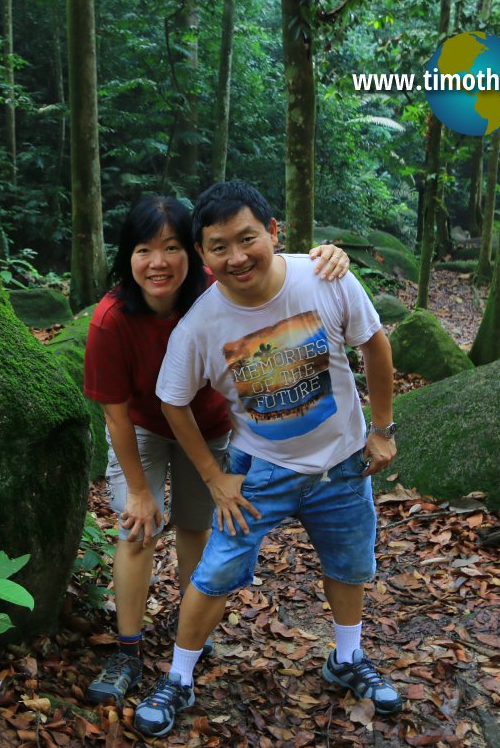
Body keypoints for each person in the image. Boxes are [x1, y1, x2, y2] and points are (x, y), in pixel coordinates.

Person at [131, 181, 400, 737]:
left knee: (349, 564)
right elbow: (170, 400)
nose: (237, 257)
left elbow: (375, 344)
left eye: (247, 238)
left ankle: (346, 658)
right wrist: (213, 478)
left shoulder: (324, 277)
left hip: (343, 463)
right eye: (219, 246)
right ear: (203, 255)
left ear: (273, 233)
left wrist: (381, 430)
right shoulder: (200, 325)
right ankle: (180, 677)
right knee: (217, 571)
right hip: (261, 469)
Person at [82, 194, 350, 706]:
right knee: (138, 528)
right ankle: (129, 649)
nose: (158, 262)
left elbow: (271, 269)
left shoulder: (218, 292)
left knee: (195, 525)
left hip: (207, 428)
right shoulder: (111, 319)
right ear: (127, 256)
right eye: (143, 249)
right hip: (141, 426)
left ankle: (189, 642)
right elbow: (114, 413)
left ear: (195, 253)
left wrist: (330, 255)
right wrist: (139, 490)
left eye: (172, 247)